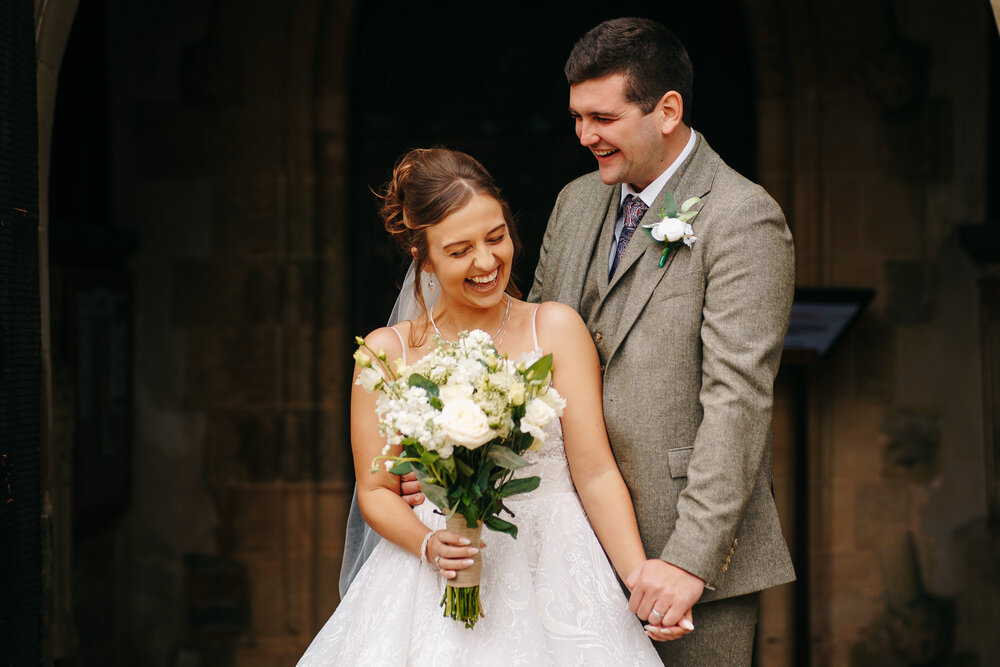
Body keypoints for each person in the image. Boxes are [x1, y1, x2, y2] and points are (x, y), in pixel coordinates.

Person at [299, 148, 662, 665]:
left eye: (496, 237)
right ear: (423, 257)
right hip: (433, 572)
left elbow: (596, 471)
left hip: (555, 567)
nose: (487, 262)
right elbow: (375, 488)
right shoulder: (386, 353)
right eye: (460, 250)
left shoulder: (555, 328)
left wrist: (637, 579)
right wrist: (428, 543)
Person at [527, 17, 796, 664]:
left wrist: (687, 560)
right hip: (563, 542)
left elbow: (737, 401)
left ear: (667, 110)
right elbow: (526, 353)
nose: (584, 135)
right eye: (576, 117)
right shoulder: (574, 203)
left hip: (684, 563)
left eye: (603, 117)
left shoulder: (743, 217)